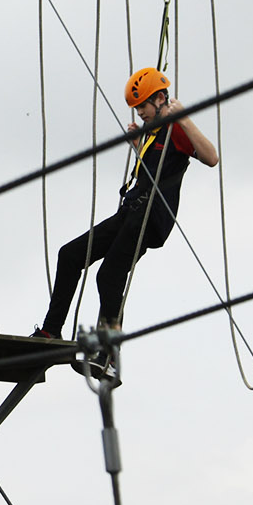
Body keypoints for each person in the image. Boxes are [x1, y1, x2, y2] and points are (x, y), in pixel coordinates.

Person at [33, 67, 218, 341]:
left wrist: (185, 119)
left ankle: (107, 354)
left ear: (159, 99)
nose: (139, 113)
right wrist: (137, 143)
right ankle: (51, 331)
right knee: (70, 255)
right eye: (136, 108)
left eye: (142, 106)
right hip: (132, 212)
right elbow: (153, 168)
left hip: (150, 217)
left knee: (109, 276)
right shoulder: (152, 130)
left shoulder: (176, 127)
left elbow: (211, 157)